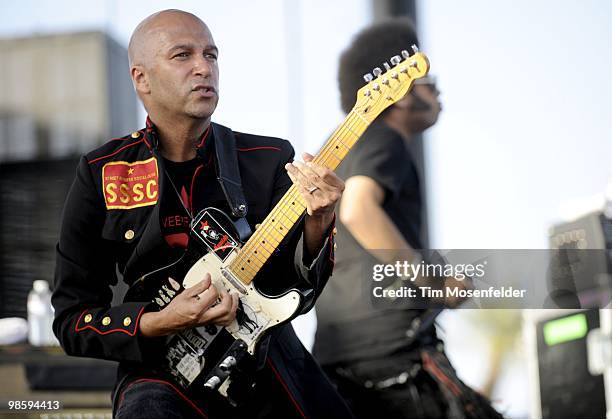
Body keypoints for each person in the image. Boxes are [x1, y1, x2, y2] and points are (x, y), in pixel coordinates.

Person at [52, 9, 353, 418]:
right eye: (182, 56)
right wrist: (158, 322)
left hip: (264, 362)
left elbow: (299, 290)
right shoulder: (102, 171)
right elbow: (72, 318)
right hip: (158, 375)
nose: (203, 68)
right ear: (141, 79)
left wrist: (319, 221)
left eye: (211, 55)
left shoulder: (266, 158)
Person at [313, 18, 503, 419]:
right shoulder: (383, 137)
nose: (437, 89)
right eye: (427, 79)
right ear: (398, 92)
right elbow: (359, 208)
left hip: (337, 359)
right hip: (396, 357)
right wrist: (434, 282)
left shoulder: (341, 147)